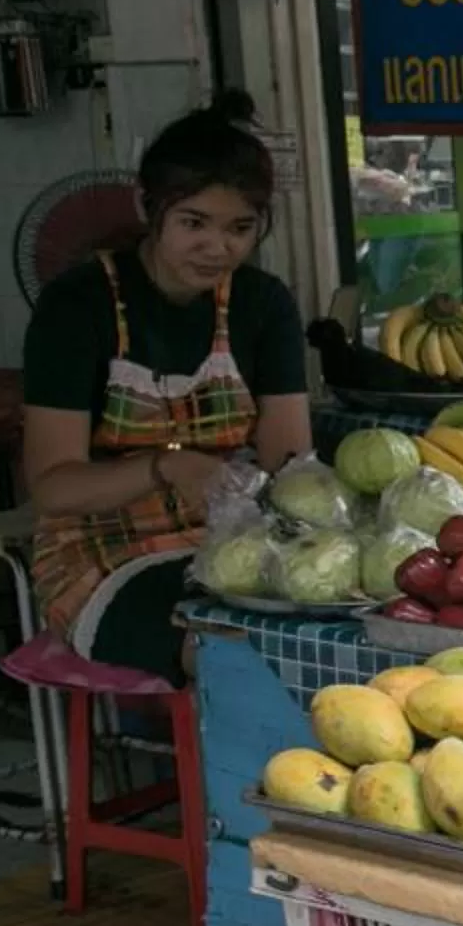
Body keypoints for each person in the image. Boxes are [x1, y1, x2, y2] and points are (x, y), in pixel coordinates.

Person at [22, 94, 312, 680]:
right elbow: (53, 489)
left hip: (234, 543)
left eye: (240, 228)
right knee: (229, 655)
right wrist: (167, 467)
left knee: (309, 640)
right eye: (193, 223)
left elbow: (290, 465)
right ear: (146, 208)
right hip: (102, 556)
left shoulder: (263, 304)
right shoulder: (77, 305)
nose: (218, 247)